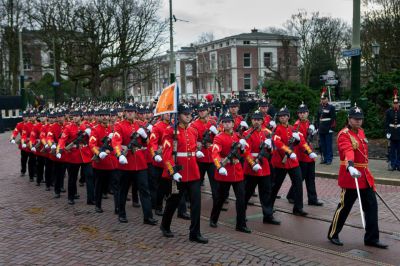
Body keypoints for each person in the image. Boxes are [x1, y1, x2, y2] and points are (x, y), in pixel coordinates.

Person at [327, 104, 388, 249]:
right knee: (344, 207)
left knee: (372, 207)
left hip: (364, 177)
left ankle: (372, 238)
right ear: (349, 119)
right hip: (351, 177)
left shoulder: (361, 132)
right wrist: (351, 166)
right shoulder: (344, 134)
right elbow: (348, 151)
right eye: (355, 119)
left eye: (360, 119)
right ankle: (333, 233)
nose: (358, 121)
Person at [160, 103, 208, 244]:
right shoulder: (170, 131)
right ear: (178, 115)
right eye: (185, 113)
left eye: (189, 113)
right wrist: (172, 170)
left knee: (196, 203)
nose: (188, 115)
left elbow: (192, 147)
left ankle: (195, 233)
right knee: (173, 202)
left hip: (193, 171)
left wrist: (196, 152)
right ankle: (165, 225)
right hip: (179, 172)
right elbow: (167, 154)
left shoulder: (193, 131)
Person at [209, 112, 260, 233]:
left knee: (241, 199)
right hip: (225, 172)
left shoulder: (238, 136)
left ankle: (241, 224)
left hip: (237, 172)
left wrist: (246, 154)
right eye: (225, 122)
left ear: (233, 124)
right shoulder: (219, 137)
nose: (227, 124)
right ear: (222, 124)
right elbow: (215, 152)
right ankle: (213, 218)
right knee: (220, 198)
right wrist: (219, 166)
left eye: (229, 122)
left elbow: (244, 153)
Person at [264, 106, 309, 222]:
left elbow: (300, 142)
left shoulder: (292, 128)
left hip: (293, 162)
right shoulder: (277, 129)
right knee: (275, 187)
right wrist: (288, 151)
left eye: (284, 116)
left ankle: (298, 208)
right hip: (280, 162)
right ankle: (268, 211)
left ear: (288, 117)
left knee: (298, 183)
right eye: (281, 116)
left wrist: (307, 150)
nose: (282, 118)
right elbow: (278, 143)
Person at [243, 110, 278, 224]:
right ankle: (241, 214)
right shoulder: (246, 133)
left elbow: (274, 151)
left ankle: (268, 216)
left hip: (265, 167)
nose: (256, 122)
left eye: (259, 120)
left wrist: (269, 148)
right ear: (251, 120)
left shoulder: (267, 133)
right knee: (246, 193)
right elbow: (246, 152)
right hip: (251, 168)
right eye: (254, 119)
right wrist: (253, 163)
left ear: (262, 121)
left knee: (266, 193)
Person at [287, 103, 323, 206]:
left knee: (311, 178)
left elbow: (310, 138)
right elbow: (301, 141)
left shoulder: (308, 123)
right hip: (302, 155)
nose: (302, 114)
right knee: (300, 178)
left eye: (304, 112)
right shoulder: (296, 125)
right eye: (300, 113)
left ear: (307, 113)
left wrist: (314, 131)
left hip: (310, 155)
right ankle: (291, 195)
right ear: (298, 114)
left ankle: (312, 199)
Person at [316, 88, 336, 165]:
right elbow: (317, 118)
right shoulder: (319, 107)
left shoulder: (331, 107)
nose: (323, 100)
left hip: (328, 128)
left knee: (328, 144)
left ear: (327, 99)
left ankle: (329, 159)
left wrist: (332, 128)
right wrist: (317, 127)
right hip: (321, 128)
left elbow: (333, 119)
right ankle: (324, 158)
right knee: (322, 145)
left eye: (324, 98)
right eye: (322, 99)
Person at [385, 89, 399, 171]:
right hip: (392, 132)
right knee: (392, 150)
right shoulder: (388, 112)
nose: (395, 105)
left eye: (397, 103)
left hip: (399, 132)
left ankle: (399, 164)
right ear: (392, 104)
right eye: (394, 103)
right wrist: (387, 132)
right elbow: (386, 123)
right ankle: (393, 164)